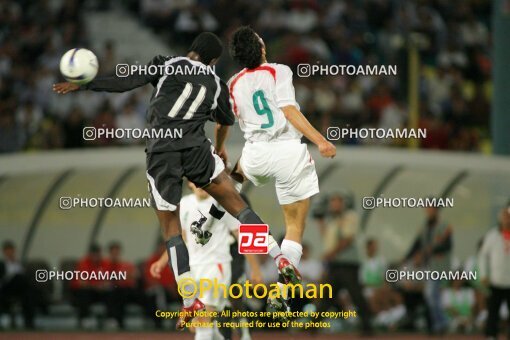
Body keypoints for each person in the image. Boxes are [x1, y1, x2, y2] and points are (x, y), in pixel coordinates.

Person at [53, 31, 299, 329]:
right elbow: (226, 120)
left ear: (191, 50)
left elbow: (127, 82)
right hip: (196, 147)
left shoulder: (166, 64)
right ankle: (278, 255)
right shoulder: (216, 84)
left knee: (171, 228)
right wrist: (220, 148)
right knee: (237, 204)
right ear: (213, 61)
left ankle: (188, 301)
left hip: (162, 151)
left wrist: (86, 84)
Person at [198, 25, 336, 314]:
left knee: (231, 182)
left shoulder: (233, 82)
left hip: (255, 152)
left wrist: (220, 146)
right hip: (287, 151)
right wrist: (321, 141)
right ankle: (282, 292)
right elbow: (288, 110)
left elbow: (224, 122)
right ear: (260, 48)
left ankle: (207, 225)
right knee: (295, 227)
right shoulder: (279, 71)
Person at [150, 182, 262, 340]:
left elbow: (241, 235)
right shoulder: (185, 204)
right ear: (189, 183)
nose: (200, 184)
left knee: (203, 320)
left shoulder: (221, 203)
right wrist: (162, 261)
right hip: (193, 269)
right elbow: (180, 237)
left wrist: (255, 269)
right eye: (196, 181)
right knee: (197, 326)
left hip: (216, 266)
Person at [318, 193, 373, 334]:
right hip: (336, 264)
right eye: (332, 202)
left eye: (336, 202)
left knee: (355, 294)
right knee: (327, 294)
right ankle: (314, 324)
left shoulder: (349, 216)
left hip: (348, 264)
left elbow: (347, 239)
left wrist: (331, 254)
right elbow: (328, 240)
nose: (334, 205)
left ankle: (367, 324)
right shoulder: (332, 220)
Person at [405, 205, 453, 334]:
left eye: (431, 209)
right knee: (433, 297)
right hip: (430, 267)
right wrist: (406, 258)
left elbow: (447, 245)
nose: (429, 212)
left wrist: (432, 250)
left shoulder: (445, 226)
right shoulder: (425, 228)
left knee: (432, 295)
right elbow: (417, 244)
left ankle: (441, 323)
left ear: (437, 211)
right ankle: (439, 324)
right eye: (427, 209)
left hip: (440, 266)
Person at [479, 203, 510, 339]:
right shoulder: (492, 235)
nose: (506, 219)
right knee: (493, 311)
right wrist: (484, 274)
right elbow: (482, 256)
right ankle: (491, 335)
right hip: (496, 280)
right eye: (504, 216)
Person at [71, 244, 109, 328]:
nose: (95, 256)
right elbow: (82, 283)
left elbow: (107, 281)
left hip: (98, 292)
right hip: (84, 291)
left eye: (97, 254)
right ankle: (84, 318)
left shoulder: (104, 263)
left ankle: (111, 319)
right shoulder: (83, 263)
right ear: (90, 254)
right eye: (93, 254)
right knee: (84, 293)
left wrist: (102, 285)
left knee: (111, 293)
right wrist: (96, 285)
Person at [104, 241, 140, 329]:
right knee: (114, 294)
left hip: (127, 291)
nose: (115, 254)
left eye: (117, 252)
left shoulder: (126, 264)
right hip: (114, 292)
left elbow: (136, 275)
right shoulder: (105, 264)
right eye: (113, 252)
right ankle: (115, 320)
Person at [0, 241, 35, 329]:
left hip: (20, 289)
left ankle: (29, 323)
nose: (10, 253)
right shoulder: (2, 264)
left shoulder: (19, 264)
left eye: (11, 250)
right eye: (7, 251)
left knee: (29, 294)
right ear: (4, 252)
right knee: (18, 277)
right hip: (7, 288)